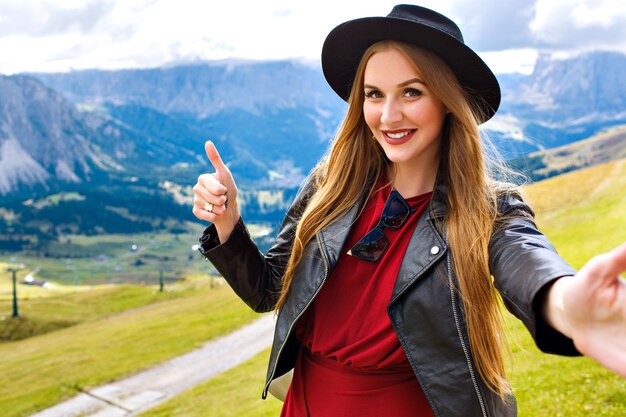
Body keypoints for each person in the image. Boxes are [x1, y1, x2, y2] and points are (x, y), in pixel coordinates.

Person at [192, 4, 626, 416]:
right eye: (374, 94)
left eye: (412, 92)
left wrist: (568, 303)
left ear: (447, 102)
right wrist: (228, 224)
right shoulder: (331, 185)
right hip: (308, 402)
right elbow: (267, 290)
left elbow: (527, 262)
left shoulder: (488, 210)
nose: (388, 115)